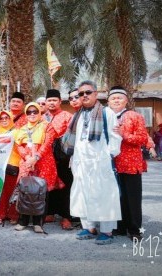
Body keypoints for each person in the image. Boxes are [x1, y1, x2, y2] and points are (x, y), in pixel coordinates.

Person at [62, 80, 122, 245]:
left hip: (100, 162)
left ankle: (106, 231)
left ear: (96, 94)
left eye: (88, 92)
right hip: (81, 162)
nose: (84, 96)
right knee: (82, 194)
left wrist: (107, 155)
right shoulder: (78, 115)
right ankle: (89, 227)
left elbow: (115, 137)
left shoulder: (106, 113)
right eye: (81, 94)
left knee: (104, 195)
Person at [108, 86, 148, 240]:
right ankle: (120, 226)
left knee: (132, 198)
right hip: (112, 165)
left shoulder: (134, 116)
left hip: (131, 164)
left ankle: (135, 229)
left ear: (126, 100)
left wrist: (123, 134)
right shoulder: (107, 115)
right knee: (117, 197)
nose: (116, 100)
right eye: (113, 98)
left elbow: (142, 138)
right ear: (108, 101)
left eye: (119, 98)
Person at [14, 103, 58, 233]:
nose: (32, 114)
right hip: (26, 162)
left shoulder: (47, 126)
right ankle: (23, 221)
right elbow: (18, 145)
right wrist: (28, 158)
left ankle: (38, 222)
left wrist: (36, 157)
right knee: (25, 190)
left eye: (35, 111)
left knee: (41, 192)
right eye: (29, 112)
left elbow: (47, 143)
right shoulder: (21, 129)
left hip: (43, 162)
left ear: (40, 113)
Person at [42, 89, 74, 230]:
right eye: (49, 100)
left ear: (60, 101)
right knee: (50, 185)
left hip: (63, 157)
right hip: (47, 157)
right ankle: (50, 212)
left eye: (55, 100)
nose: (52, 103)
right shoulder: (42, 117)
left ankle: (66, 216)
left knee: (66, 185)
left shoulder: (67, 116)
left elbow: (72, 136)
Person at [0, 110, 19, 224]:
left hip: (13, 163)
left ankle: (12, 214)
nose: (4, 120)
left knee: (12, 190)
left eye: (6, 117)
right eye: (1, 118)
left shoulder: (17, 132)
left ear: (11, 118)